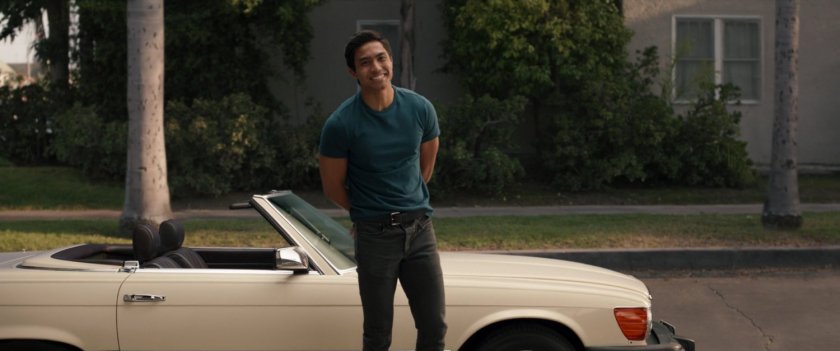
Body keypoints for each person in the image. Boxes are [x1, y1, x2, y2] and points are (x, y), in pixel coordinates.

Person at [318, 30, 447, 351]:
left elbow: (425, 167)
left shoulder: (420, 109)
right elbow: (333, 186)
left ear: (390, 61)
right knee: (377, 333)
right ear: (353, 73)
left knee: (434, 325)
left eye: (381, 58)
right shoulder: (341, 124)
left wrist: (407, 199)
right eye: (365, 63)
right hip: (375, 236)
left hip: (420, 231)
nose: (375, 67)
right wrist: (368, 211)